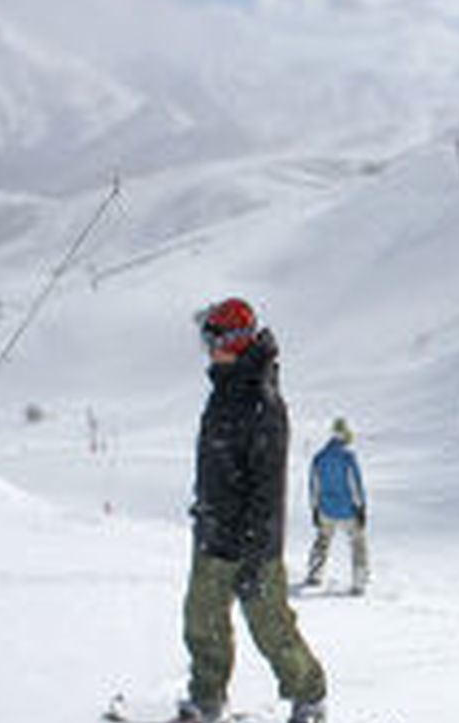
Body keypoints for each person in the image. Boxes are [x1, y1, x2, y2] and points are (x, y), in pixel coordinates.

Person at [181, 297, 327, 723]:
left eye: (213, 341)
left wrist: (255, 551)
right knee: (201, 622)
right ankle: (206, 701)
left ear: (235, 340)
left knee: (270, 626)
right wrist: (205, 512)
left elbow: (268, 489)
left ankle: (310, 697)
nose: (208, 350)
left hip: (253, 543)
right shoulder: (223, 391)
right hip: (215, 533)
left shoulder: (262, 402)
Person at [305, 418, 370, 595]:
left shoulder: (319, 457)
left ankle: (314, 574)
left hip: (326, 508)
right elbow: (354, 484)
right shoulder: (348, 457)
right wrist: (361, 507)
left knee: (322, 540)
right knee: (358, 542)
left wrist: (314, 508)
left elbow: (314, 485)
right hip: (347, 510)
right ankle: (359, 581)